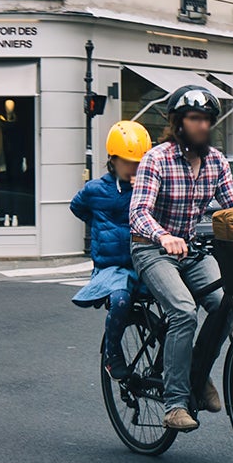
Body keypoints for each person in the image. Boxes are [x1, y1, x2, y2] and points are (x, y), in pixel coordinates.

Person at [129, 86, 233, 433]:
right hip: (150, 249)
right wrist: (162, 235)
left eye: (207, 119)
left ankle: (198, 371)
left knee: (227, 305)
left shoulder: (216, 161)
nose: (202, 125)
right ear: (177, 123)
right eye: (194, 118)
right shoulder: (156, 159)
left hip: (190, 250)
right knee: (183, 310)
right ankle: (175, 403)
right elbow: (137, 212)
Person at [70, 120, 152, 378]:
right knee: (120, 300)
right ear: (112, 159)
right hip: (110, 267)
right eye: (129, 162)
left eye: (139, 162)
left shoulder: (147, 188)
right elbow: (77, 207)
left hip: (141, 262)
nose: (134, 168)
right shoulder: (95, 190)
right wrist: (100, 227)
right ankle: (112, 352)